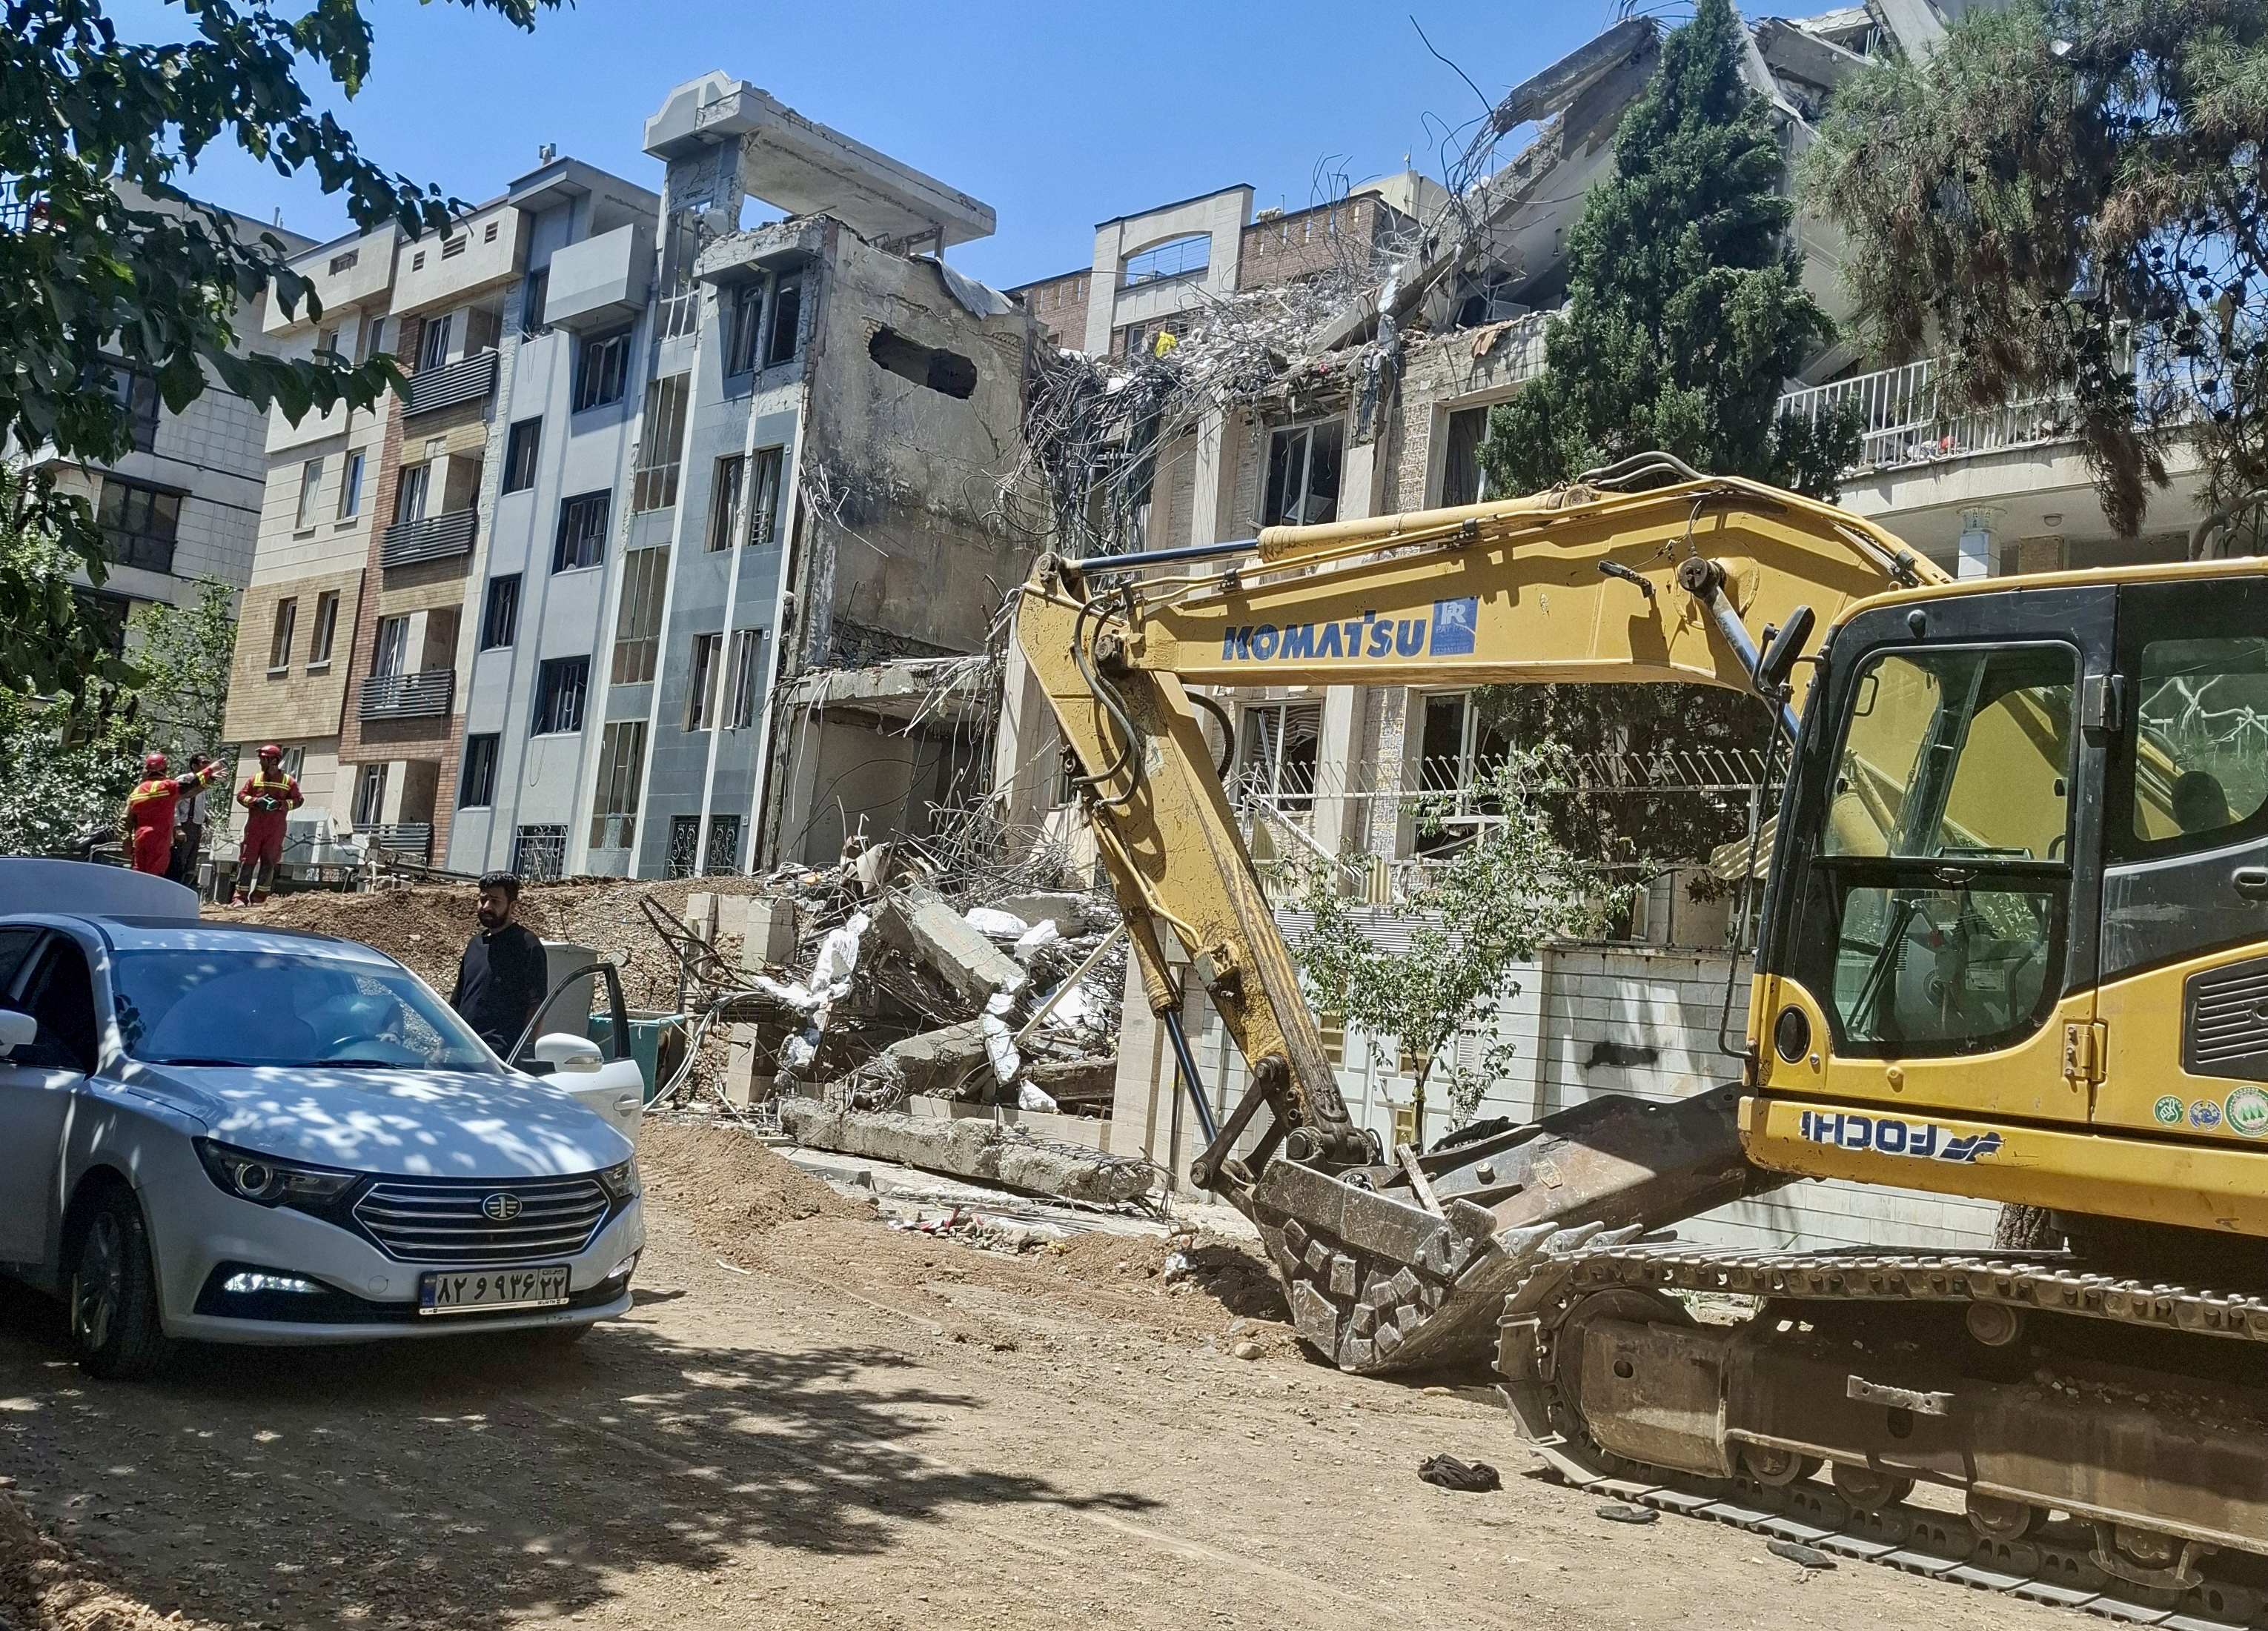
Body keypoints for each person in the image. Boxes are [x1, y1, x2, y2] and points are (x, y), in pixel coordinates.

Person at [449, 871, 549, 1058]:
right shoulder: (475, 944)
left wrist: (524, 1054)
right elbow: (457, 1000)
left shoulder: (526, 944)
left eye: (495, 901)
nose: (486, 906)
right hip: (461, 1049)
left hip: (498, 1056)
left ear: (512, 906)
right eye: (483, 899)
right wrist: (443, 1046)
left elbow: (536, 1006)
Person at [122, 753, 222, 877]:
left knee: (138, 872)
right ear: (165, 769)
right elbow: (189, 786)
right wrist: (210, 770)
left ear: (146, 770)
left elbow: (126, 820)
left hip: (140, 839)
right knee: (155, 875)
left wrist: (126, 841)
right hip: (160, 840)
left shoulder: (137, 791)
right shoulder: (168, 787)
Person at [231, 745, 303, 906]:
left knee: (269, 862)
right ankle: (240, 897)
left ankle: (259, 898)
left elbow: (298, 801)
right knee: (247, 860)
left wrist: (280, 805)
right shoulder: (255, 779)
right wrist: (256, 802)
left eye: (263, 759)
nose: (261, 763)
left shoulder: (288, 781)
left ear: (274, 761)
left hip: (275, 830)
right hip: (254, 829)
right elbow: (241, 796)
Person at [169, 752, 212, 886]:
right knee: (179, 860)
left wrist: (204, 816)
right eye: (204, 762)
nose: (207, 765)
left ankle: (185, 887)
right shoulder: (185, 779)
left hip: (196, 826)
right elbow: (173, 804)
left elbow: (198, 802)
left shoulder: (204, 782)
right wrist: (177, 827)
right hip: (185, 825)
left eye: (208, 762)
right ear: (194, 765)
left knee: (191, 862)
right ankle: (174, 886)